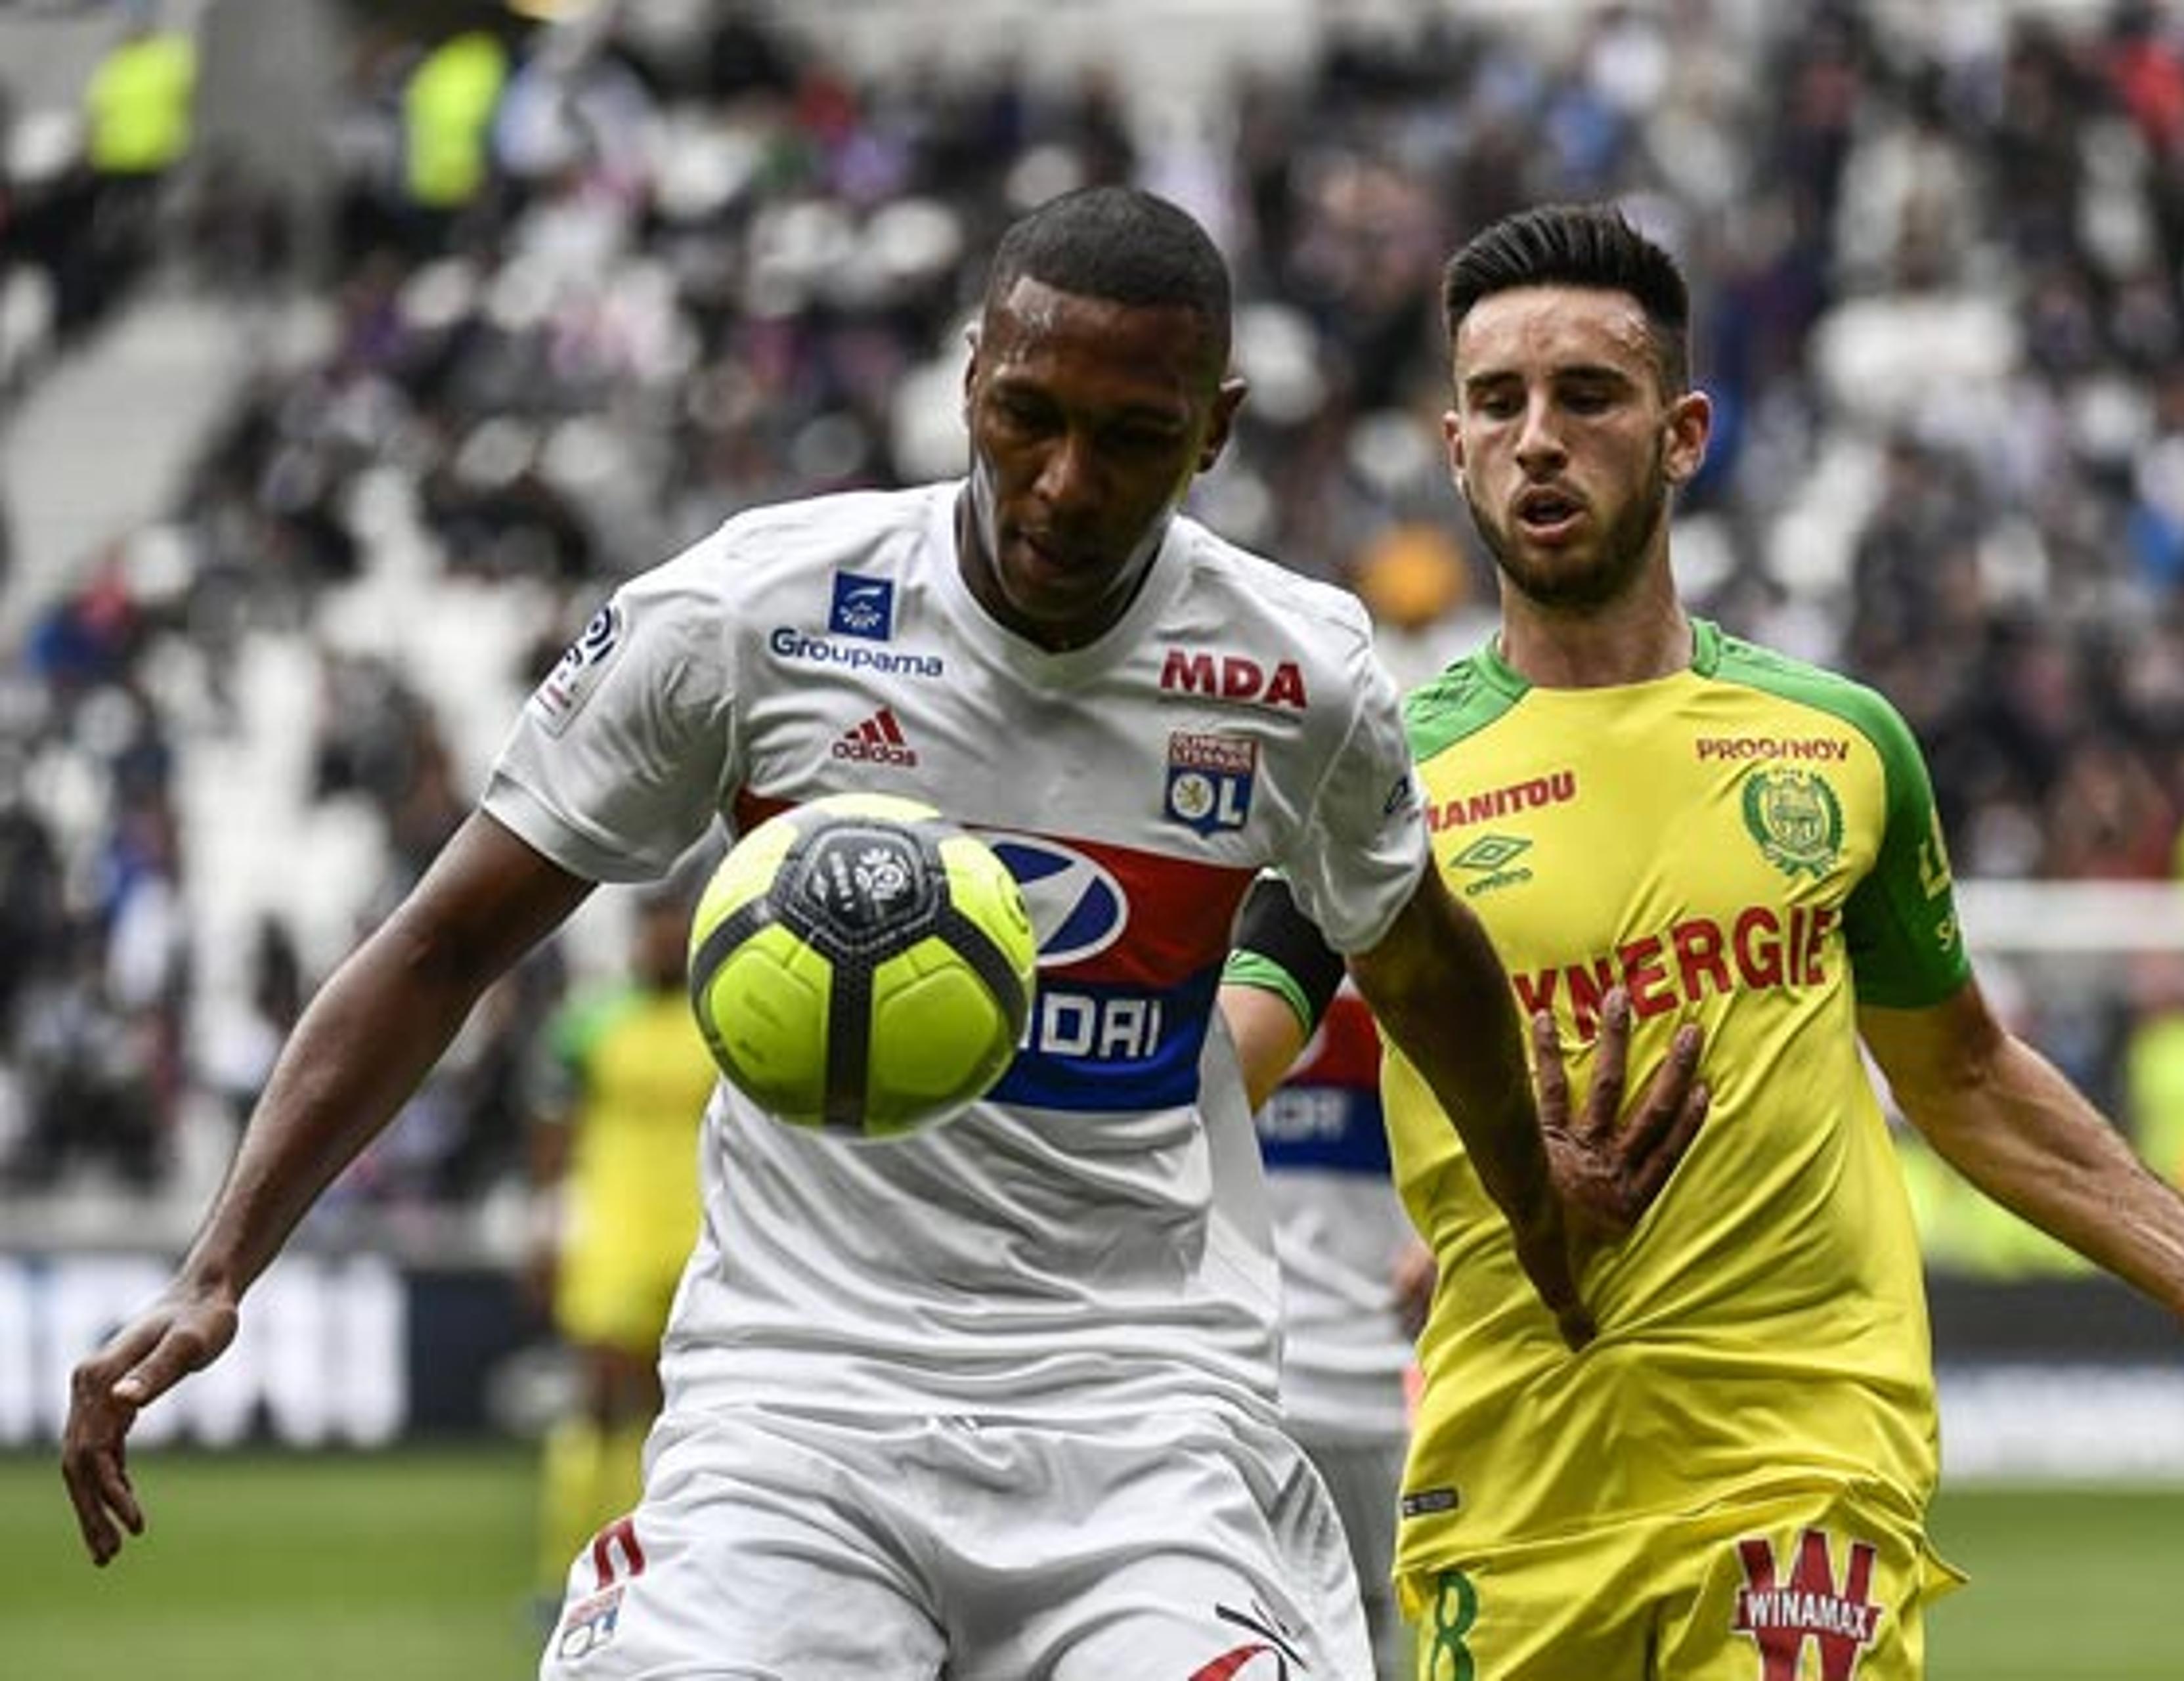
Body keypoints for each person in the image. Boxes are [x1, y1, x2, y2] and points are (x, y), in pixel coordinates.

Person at [60, 186, 1684, 1681]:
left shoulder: (1295, 673)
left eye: (1132, 436)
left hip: (1139, 1419)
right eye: (1026, 415)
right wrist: (219, 1267)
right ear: (969, 372)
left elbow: (1416, 954)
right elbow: (436, 946)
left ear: (1216, 434)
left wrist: (1542, 1221)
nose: (1064, 481)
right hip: (797, 1401)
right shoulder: (752, 614)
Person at [1220, 201, 2184, 1680]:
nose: (1538, 438)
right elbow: (1216, 1067)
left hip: (1801, 1460)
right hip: (1509, 1467)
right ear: (1453, 448)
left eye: (1589, 396)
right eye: (1498, 403)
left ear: (1685, 433)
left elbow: (1967, 1075)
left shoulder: (1837, 744)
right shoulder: (1374, 776)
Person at [1221, 946, 1422, 1680]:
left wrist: (1457, 1227)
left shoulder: (1415, 947)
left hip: (1378, 1378)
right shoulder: (1216, 957)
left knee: (1379, 1633)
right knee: (1255, 1628)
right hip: (1252, 1378)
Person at [518, 881, 719, 1598]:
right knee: (598, 1402)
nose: (664, 941)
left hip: (704, 1235)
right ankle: (565, 1569)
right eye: (654, 927)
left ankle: (658, 1568)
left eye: (675, 927)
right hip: (615, 1233)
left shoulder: (720, 1013)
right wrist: (546, 1226)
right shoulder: (593, 1023)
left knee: (680, 1414)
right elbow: (552, 1134)